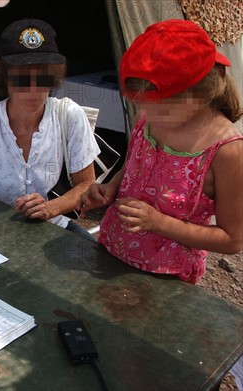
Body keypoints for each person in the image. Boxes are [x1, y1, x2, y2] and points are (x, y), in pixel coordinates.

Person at [78, 20, 243, 284]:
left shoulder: (227, 151)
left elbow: (232, 240)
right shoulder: (149, 118)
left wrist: (158, 223)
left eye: (161, 108)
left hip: (166, 278)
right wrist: (111, 188)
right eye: (141, 105)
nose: (147, 115)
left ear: (199, 95)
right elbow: (134, 165)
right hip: (111, 253)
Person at [0, 19, 100, 238]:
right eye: (22, 80)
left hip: (51, 227)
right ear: (5, 78)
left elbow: (87, 182)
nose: (33, 90)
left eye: (42, 79)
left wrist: (51, 208)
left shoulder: (69, 115)